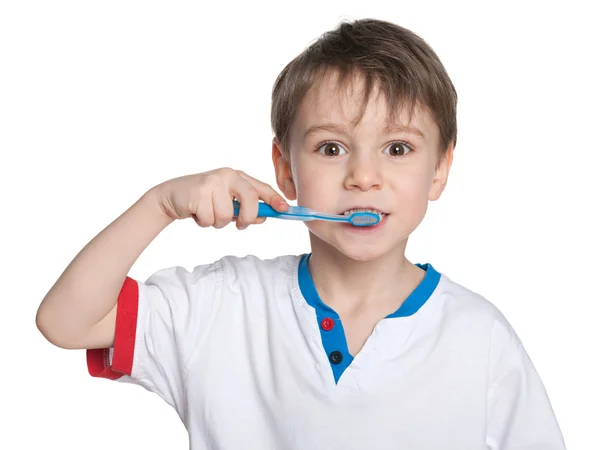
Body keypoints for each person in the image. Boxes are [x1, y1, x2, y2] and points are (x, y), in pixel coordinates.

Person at [35, 18, 566, 449]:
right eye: (331, 149)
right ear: (285, 170)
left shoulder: (482, 339)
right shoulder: (219, 307)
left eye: (397, 148)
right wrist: (160, 205)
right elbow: (65, 322)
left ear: (440, 170)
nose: (363, 176)